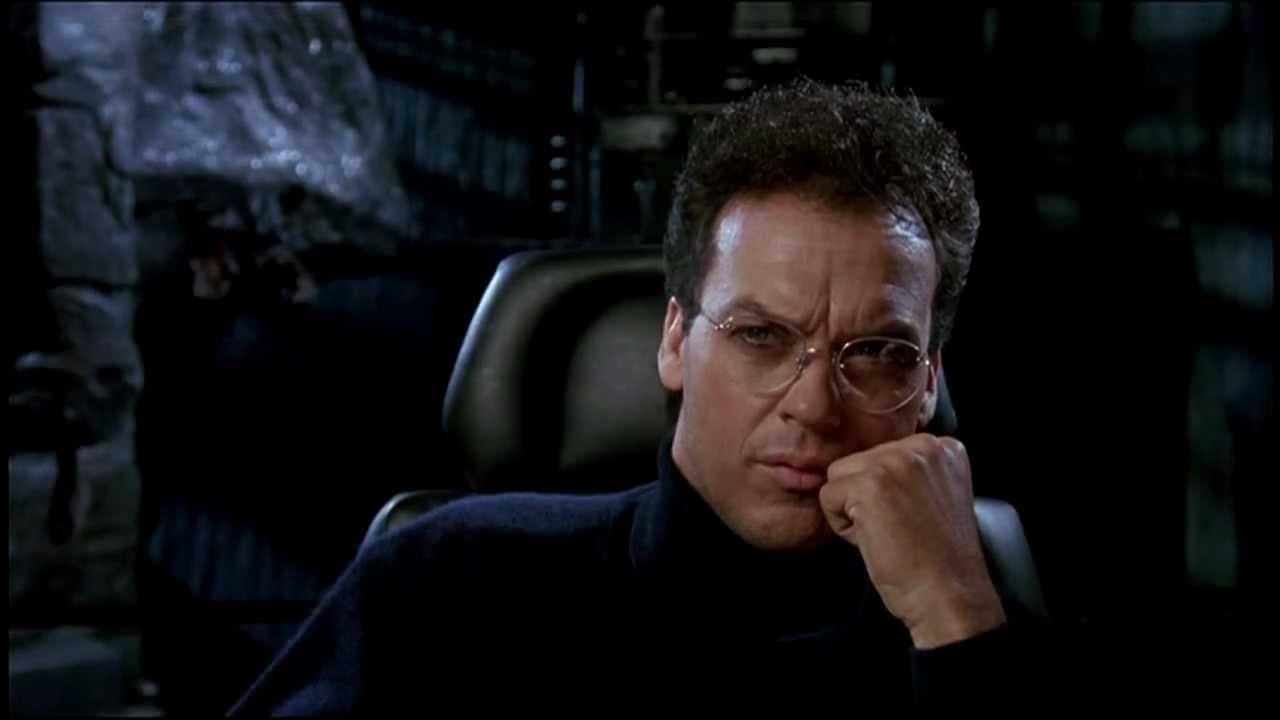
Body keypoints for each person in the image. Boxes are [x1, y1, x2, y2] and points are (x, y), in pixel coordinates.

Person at [229, 79, 1048, 712]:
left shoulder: (980, 624)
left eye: (874, 353)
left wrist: (956, 621)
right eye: (761, 335)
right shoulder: (451, 580)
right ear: (674, 341)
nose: (813, 406)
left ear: (928, 381)